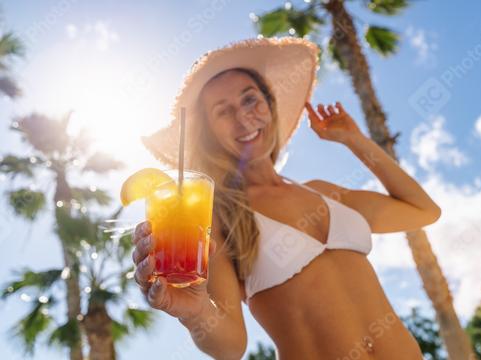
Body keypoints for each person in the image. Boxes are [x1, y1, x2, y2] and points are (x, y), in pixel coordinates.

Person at [132, 37, 441, 359]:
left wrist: (355, 140)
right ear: (209, 133)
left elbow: (423, 210)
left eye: (250, 100)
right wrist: (194, 313)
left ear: (270, 104)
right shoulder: (219, 217)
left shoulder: (323, 191)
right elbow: (231, 346)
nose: (243, 117)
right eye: (223, 112)